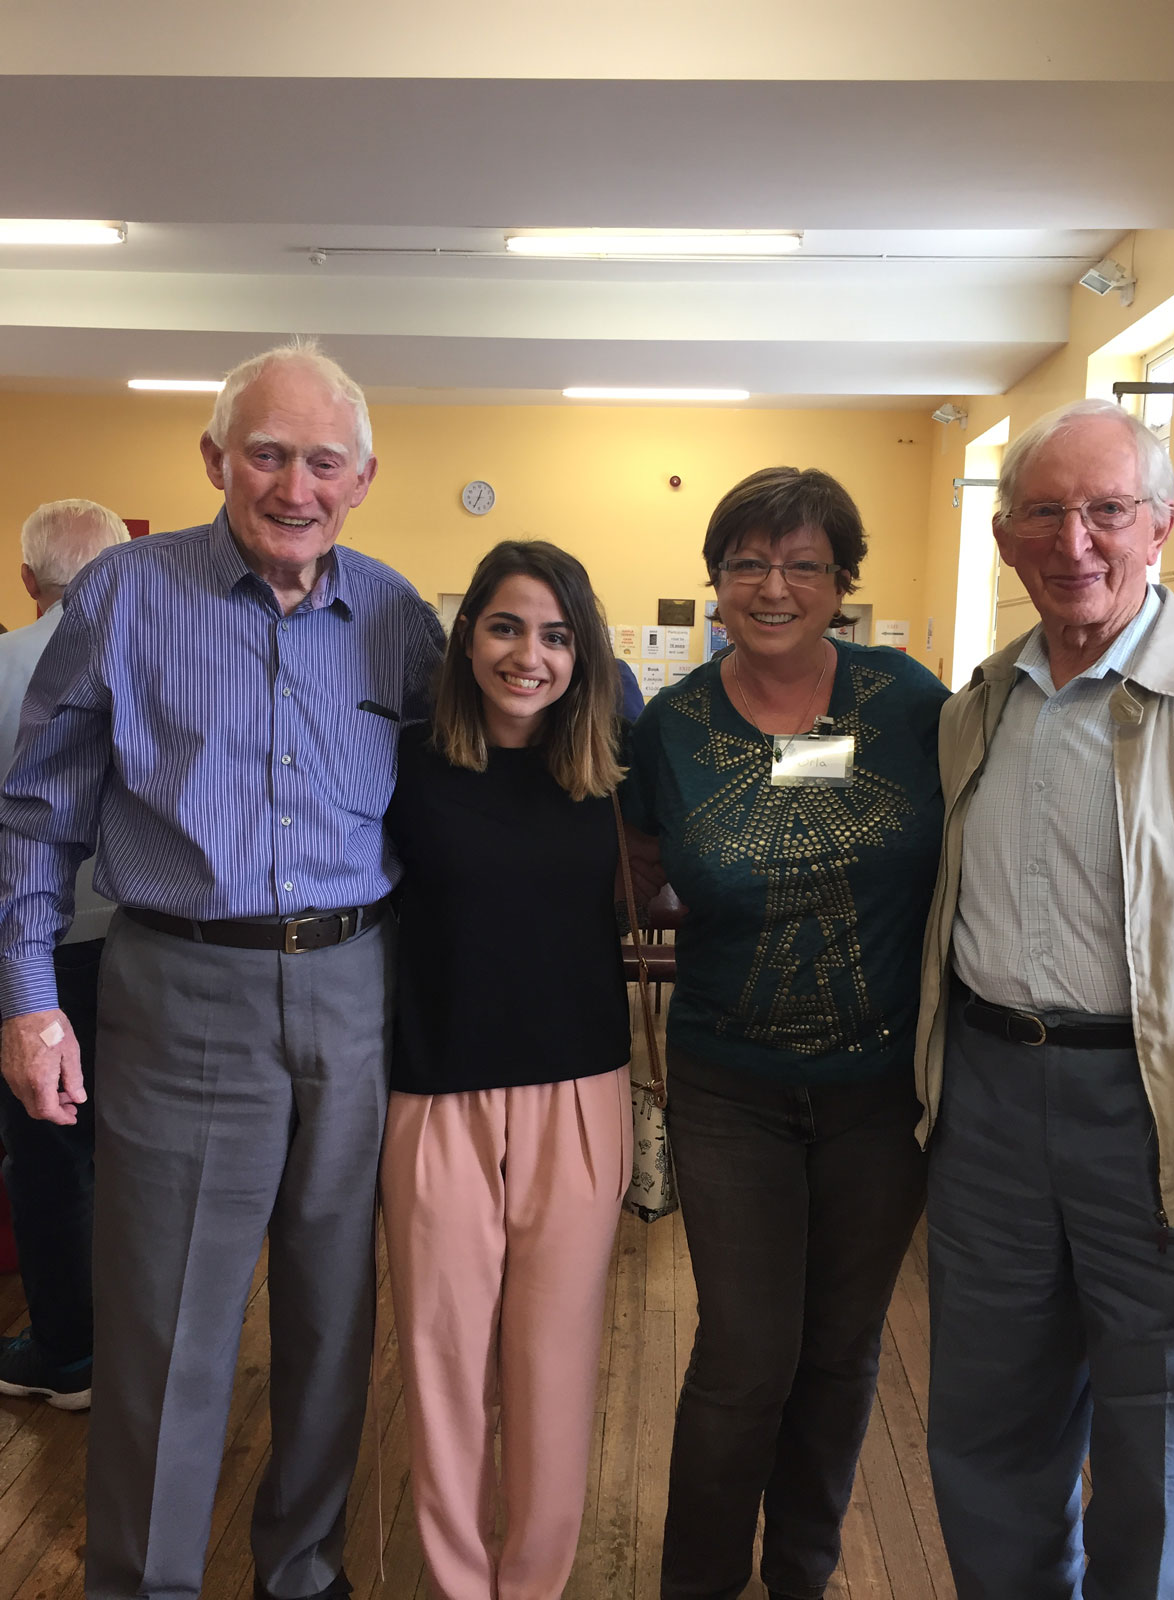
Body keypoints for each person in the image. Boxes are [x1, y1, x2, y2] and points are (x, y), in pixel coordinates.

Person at [0, 343, 444, 1600]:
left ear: (361, 478)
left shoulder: (398, 617)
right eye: (265, 453)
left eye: (321, 460)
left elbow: (446, 809)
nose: (293, 485)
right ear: (214, 461)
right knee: (168, 1324)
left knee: (331, 1310)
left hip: (358, 988)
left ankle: (299, 1571)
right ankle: (142, 1583)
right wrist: (29, 1000)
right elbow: (34, 818)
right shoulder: (126, 597)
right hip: (185, 986)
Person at [620, 466, 948, 1600]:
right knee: (746, 1354)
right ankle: (698, 1583)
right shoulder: (668, 727)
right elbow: (638, 866)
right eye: (748, 563)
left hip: (880, 1089)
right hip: (732, 1086)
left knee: (842, 1350)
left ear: (841, 585)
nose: (773, 586)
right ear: (714, 582)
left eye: (803, 563)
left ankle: (802, 1572)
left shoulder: (910, 703)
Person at [915, 397, 1174, 1600]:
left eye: (1107, 510)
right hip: (988, 1103)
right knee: (989, 1422)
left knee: (1162, 1439)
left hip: (1155, 1122)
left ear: (1162, 524)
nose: (1075, 540)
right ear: (1004, 534)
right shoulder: (974, 708)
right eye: (1045, 510)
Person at [380, 539, 632, 1600]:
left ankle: (531, 1584)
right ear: (467, 632)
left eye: (557, 636)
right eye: (507, 626)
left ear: (584, 655)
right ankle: (454, 1583)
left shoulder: (614, 765)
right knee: (440, 1366)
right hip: (435, 1093)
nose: (530, 654)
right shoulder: (398, 761)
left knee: (551, 1369)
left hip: (580, 1096)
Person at [0, 498, 128, 1410]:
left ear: (26, 580)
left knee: (47, 1148)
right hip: (148, 949)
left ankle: (69, 1351)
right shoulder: (160, 662)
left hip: (29, 954)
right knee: (146, 1150)